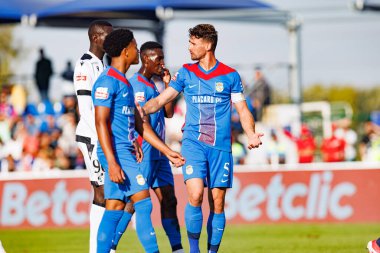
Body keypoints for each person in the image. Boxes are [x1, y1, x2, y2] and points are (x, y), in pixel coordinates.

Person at [141, 24, 263, 253]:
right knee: (195, 194)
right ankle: (194, 250)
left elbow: (243, 110)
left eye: (193, 43)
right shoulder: (186, 72)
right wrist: (142, 110)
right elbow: (161, 100)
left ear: (207, 45)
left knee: (217, 203)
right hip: (193, 144)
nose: (189, 48)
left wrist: (251, 133)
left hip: (220, 148)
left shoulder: (230, 76)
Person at [93, 28, 185, 253]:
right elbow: (100, 123)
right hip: (116, 152)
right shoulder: (107, 81)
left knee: (114, 207)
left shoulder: (122, 82)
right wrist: (113, 162)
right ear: (126, 51)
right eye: (135, 46)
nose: (137, 50)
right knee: (143, 202)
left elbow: (140, 124)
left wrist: (167, 151)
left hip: (126, 150)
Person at [73, 20, 113, 253]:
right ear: (96, 37)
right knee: (101, 192)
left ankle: (103, 248)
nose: (112, 40)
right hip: (91, 136)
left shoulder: (102, 65)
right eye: (108, 36)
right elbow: (85, 106)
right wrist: (100, 138)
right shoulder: (85, 64)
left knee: (107, 193)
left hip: (101, 135)